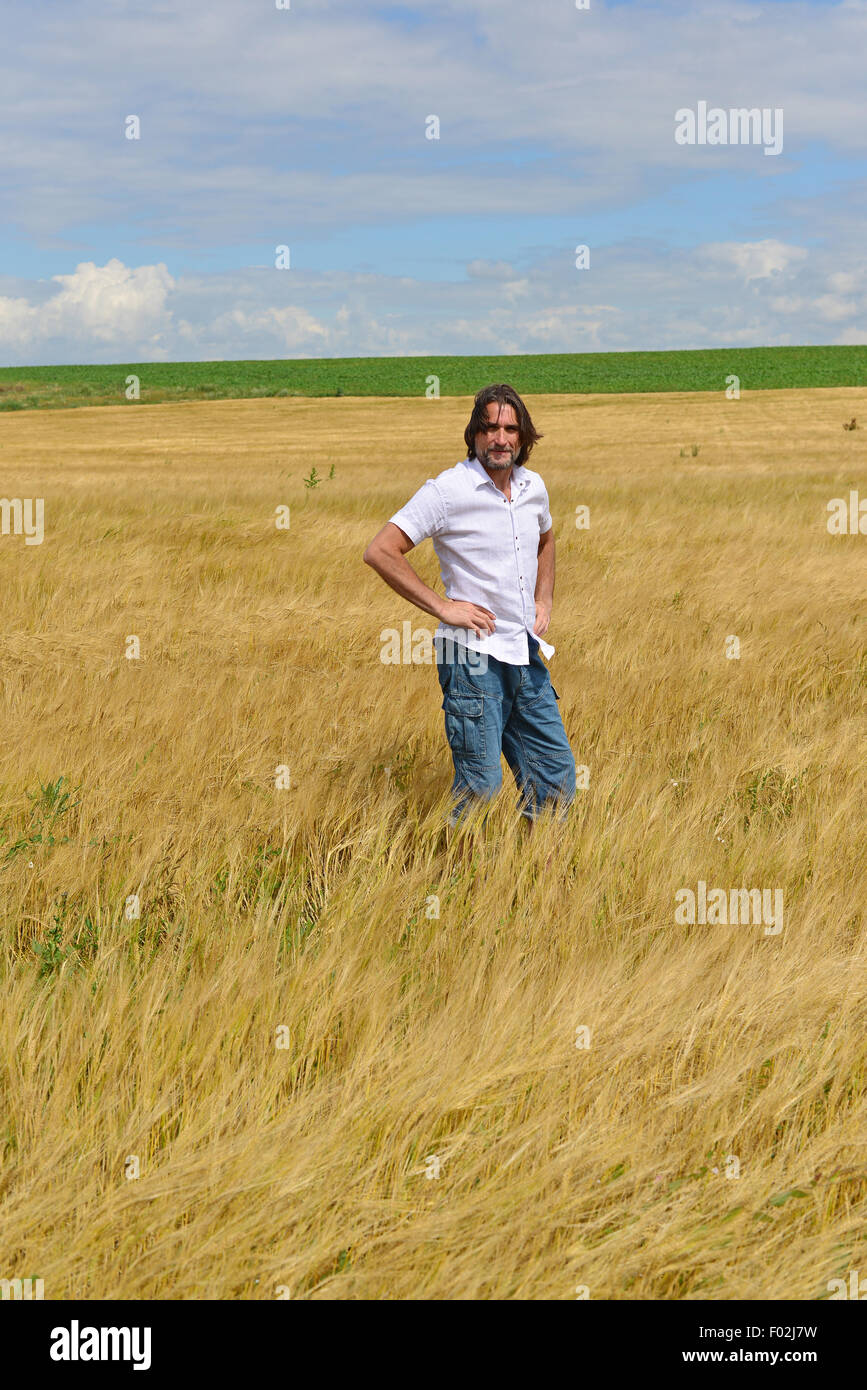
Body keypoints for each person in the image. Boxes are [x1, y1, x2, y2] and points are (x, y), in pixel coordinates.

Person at [363, 383, 576, 825]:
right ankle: (456, 881)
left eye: (510, 429)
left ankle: (529, 880)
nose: (500, 438)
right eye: (490, 428)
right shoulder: (448, 490)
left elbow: (546, 537)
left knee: (554, 778)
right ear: (474, 434)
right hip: (471, 658)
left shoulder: (533, 487)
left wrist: (544, 597)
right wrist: (443, 608)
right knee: (480, 788)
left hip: (524, 651)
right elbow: (381, 550)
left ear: (523, 437)